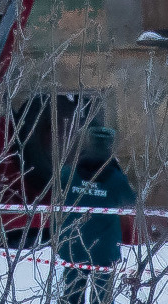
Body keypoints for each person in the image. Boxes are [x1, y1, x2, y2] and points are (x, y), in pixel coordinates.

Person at [53, 130, 133, 304]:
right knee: (101, 299)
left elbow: (54, 199)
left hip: (73, 245)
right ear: (110, 146)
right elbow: (131, 200)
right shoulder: (116, 178)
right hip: (104, 248)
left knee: (71, 298)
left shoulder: (68, 173)